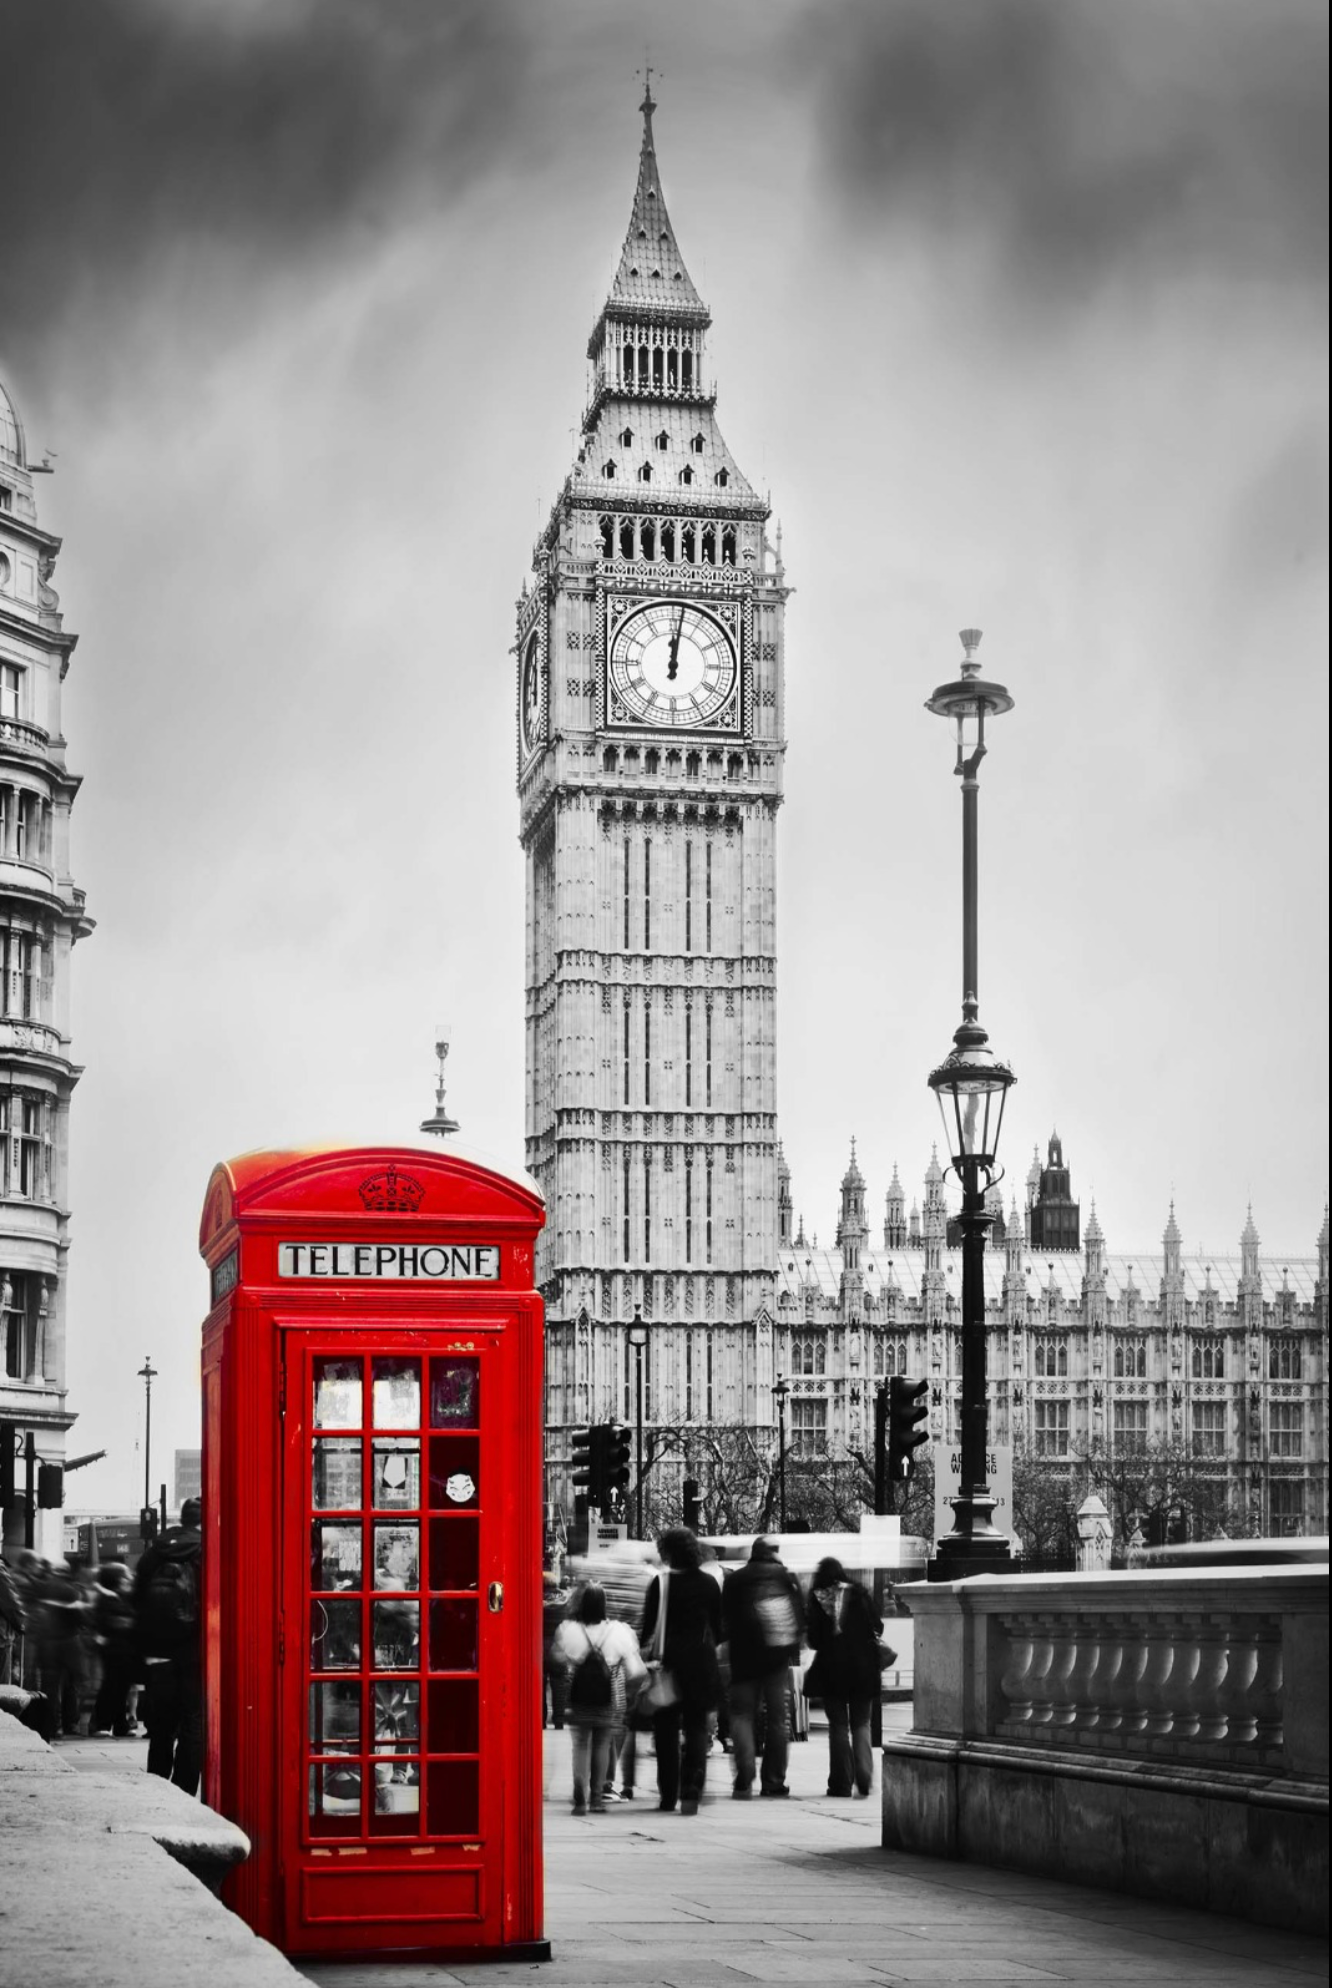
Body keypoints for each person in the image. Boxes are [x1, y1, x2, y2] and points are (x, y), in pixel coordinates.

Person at [639, 1527, 721, 1816]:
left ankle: (668, 1793)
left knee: (666, 1731)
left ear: (668, 1552)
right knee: (698, 1727)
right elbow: (719, 1629)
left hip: (668, 1665)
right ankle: (692, 1787)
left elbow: (648, 1627)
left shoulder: (661, 1584)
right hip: (701, 1664)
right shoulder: (710, 1583)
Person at [551, 1581, 645, 1816]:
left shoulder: (567, 1629)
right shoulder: (619, 1631)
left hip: (578, 1697)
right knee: (603, 1744)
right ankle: (596, 1799)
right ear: (605, 1604)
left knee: (580, 1744)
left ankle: (579, 1795)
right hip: (609, 1699)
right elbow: (637, 1671)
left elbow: (556, 1659)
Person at [721, 1536, 804, 1799]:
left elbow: (724, 1619)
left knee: (742, 1716)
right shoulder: (786, 1577)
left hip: (743, 1658)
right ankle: (773, 1781)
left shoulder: (736, 1579)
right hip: (777, 1659)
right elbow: (799, 1617)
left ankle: (744, 1779)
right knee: (778, 1721)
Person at [133, 1496, 203, 1794]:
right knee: (193, 1722)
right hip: (194, 1651)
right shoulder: (205, 1550)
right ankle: (184, 1789)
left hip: (157, 1651)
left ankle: (159, 1787)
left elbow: (135, 1599)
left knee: (160, 1727)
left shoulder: (155, 1552)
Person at [806, 1556, 884, 1798]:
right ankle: (864, 1775)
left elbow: (814, 1639)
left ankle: (840, 1784)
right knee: (861, 1723)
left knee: (838, 1726)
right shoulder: (860, 1594)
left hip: (832, 1670)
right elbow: (878, 1627)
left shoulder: (818, 1598)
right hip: (863, 1667)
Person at [89, 1564, 139, 1737]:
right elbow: (107, 1622)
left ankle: (120, 1725)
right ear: (116, 1579)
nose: (129, 1578)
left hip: (125, 1649)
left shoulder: (123, 1596)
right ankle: (100, 1724)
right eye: (125, 1576)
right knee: (111, 1687)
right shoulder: (106, 1598)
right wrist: (129, 1623)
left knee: (121, 1688)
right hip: (113, 1649)